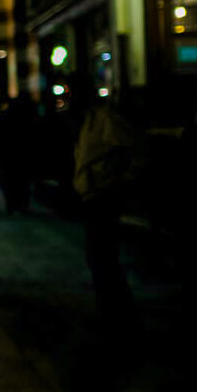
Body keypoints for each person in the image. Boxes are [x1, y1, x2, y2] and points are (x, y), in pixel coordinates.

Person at [74, 96, 145, 330]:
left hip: (103, 194)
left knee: (102, 255)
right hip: (93, 193)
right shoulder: (88, 120)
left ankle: (117, 312)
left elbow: (134, 149)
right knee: (99, 255)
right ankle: (112, 309)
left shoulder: (105, 118)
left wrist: (118, 180)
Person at [0, 92, 38, 213]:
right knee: (22, 182)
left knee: (10, 181)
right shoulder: (27, 117)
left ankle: (13, 204)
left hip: (8, 157)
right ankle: (20, 205)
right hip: (20, 156)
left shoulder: (5, 116)